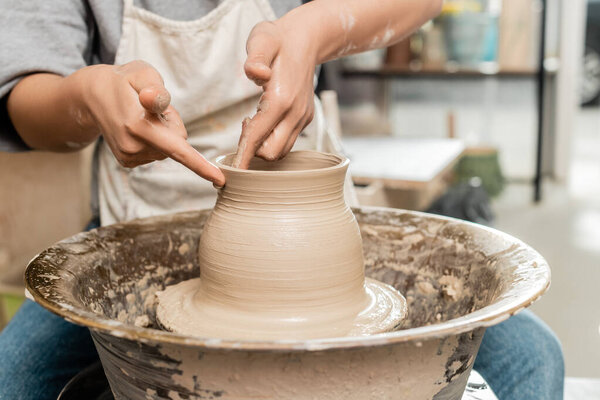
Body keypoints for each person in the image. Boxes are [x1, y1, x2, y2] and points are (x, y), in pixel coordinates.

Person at [0, 0, 563, 399]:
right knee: (14, 378)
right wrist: (85, 96)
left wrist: (319, 27)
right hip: (139, 215)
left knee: (531, 359)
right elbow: (24, 96)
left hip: (322, 230)